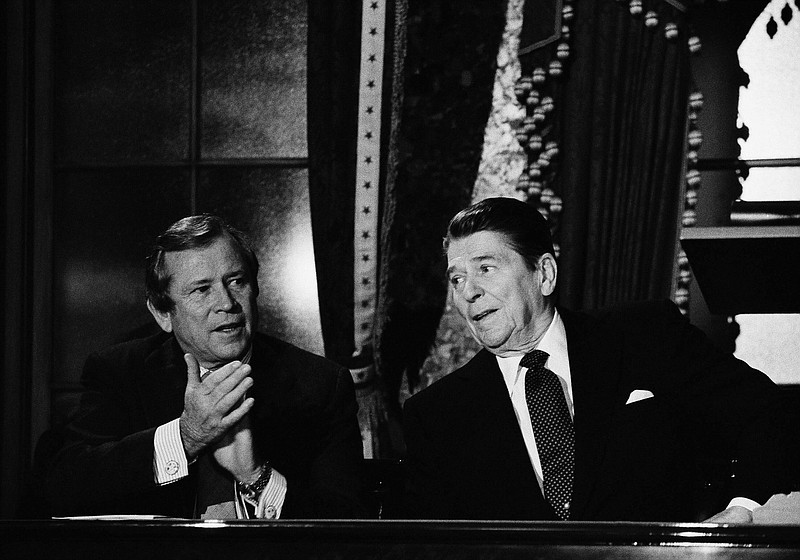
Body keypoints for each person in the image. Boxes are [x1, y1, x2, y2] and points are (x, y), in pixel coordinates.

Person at [402, 196, 797, 522]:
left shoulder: (646, 335)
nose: (468, 292)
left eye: (485, 269)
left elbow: (768, 414)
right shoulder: (436, 415)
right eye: (456, 280)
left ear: (544, 274)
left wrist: (740, 511)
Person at [43, 214, 366, 519]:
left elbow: (349, 525)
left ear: (255, 288)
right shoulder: (119, 373)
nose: (227, 303)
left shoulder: (321, 384)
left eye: (236, 281)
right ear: (162, 313)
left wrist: (257, 478)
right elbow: (64, 488)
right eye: (201, 289)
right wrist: (185, 438)